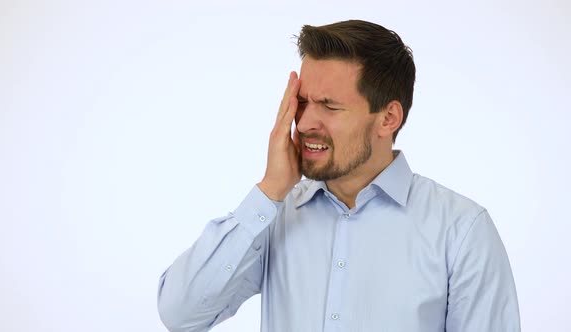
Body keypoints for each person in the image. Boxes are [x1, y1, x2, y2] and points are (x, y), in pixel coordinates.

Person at [157, 20, 520, 332]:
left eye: (329, 106)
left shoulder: (461, 231)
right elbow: (181, 314)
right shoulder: (275, 215)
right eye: (302, 102)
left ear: (388, 118)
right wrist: (269, 191)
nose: (306, 122)